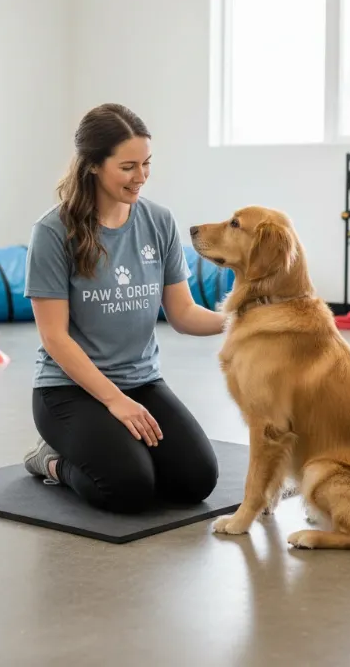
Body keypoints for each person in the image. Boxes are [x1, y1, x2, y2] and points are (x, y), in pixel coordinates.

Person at [22, 102, 226, 514]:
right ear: (93, 165)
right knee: (128, 488)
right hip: (68, 391)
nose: (141, 176)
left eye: (147, 163)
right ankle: (51, 460)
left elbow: (183, 314)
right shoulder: (53, 231)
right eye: (128, 167)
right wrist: (114, 400)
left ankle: (119, 446)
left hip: (141, 381)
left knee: (196, 480)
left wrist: (243, 321)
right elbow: (54, 337)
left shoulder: (159, 221)